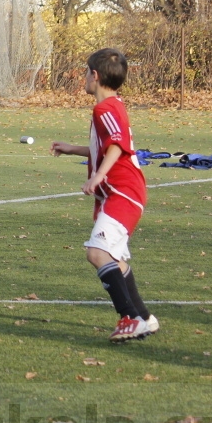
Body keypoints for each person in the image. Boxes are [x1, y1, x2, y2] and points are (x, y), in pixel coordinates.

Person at [51, 48, 157, 343]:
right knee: (115, 259)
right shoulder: (113, 105)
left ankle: (130, 318)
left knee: (97, 253)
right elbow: (106, 145)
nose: (85, 77)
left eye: (86, 72)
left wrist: (98, 176)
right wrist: (72, 149)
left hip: (123, 192)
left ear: (95, 76)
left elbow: (117, 145)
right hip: (123, 193)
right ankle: (144, 318)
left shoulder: (104, 109)